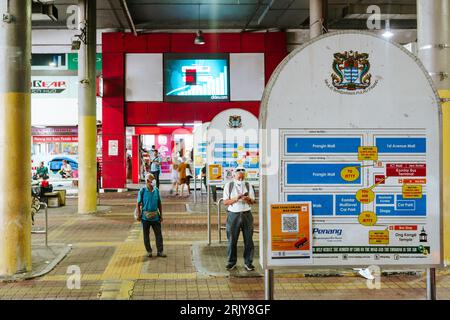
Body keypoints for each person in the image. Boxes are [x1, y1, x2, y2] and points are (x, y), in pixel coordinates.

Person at [223, 166, 256, 271]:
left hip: (247, 214)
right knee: (232, 239)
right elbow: (225, 202)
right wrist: (236, 198)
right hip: (233, 214)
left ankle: (248, 262)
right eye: (239, 178)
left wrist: (247, 199)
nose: (241, 179)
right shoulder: (229, 185)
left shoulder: (248, 185)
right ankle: (231, 262)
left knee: (249, 240)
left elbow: (253, 201)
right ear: (234, 176)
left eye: (242, 177)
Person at [136, 173, 166, 258]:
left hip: (155, 217)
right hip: (145, 218)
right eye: (151, 180)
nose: (153, 182)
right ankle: (149, 251)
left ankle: (160, 251)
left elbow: (159, 203)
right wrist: (139, 215)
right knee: (146, 235)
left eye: (153, 180)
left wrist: (161, 215)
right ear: (147, 181)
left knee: (158, 235)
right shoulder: (142, 191)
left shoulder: (156, 190)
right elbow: (138, 203)